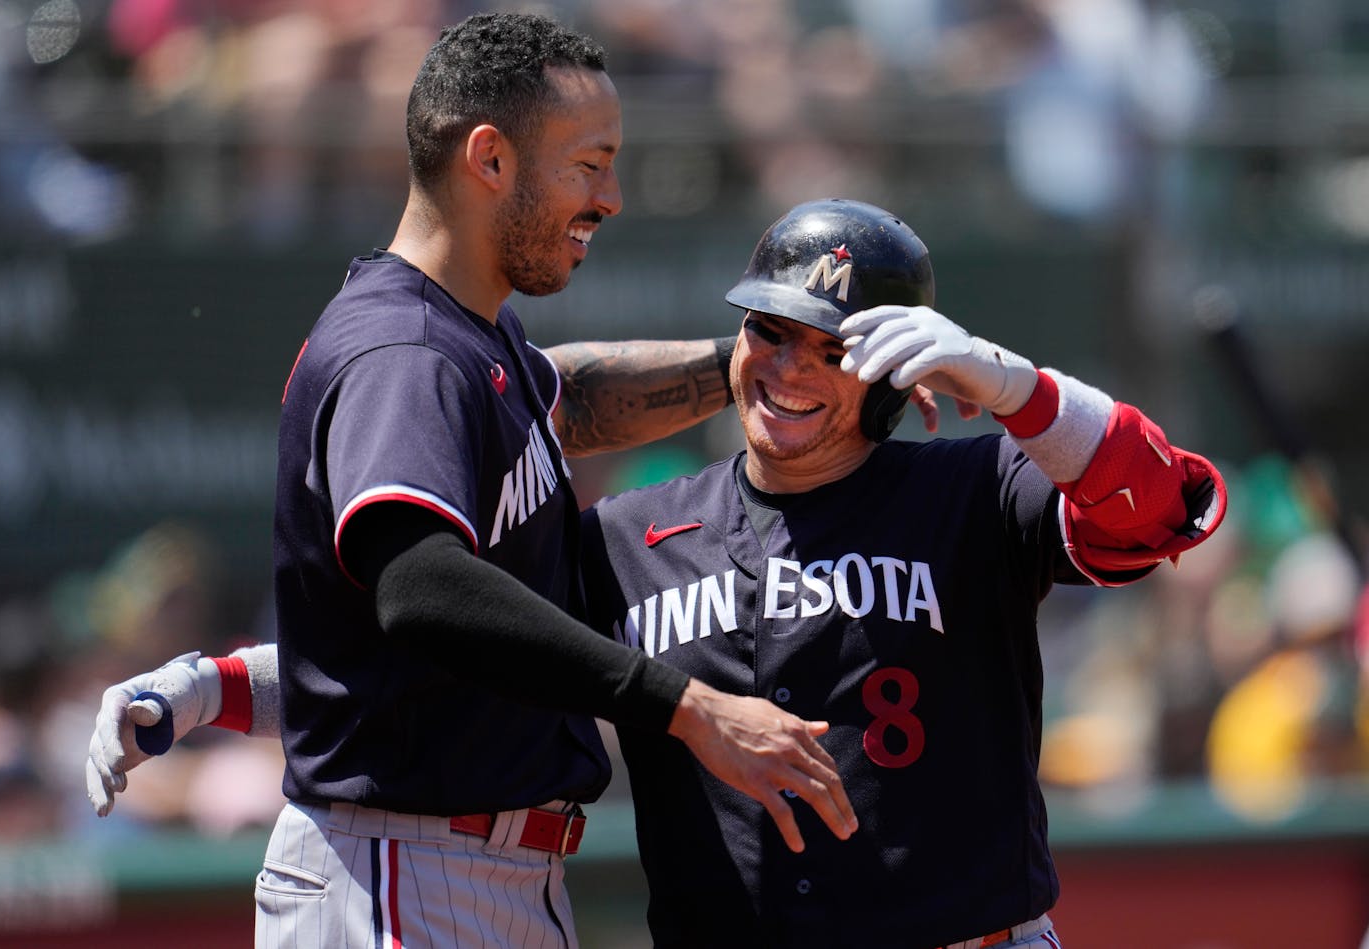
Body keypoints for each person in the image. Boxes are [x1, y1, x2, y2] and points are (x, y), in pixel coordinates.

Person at [89, 197, 1227, 947]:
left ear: (891, 373)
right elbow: (439, 659)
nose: (787, 368)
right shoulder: (634, 533)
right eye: (768, 331)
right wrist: (207, 688)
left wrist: (1016, 387)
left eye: (832, 349)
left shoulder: (972, 492)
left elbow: (1166, 508)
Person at [88, 13, 862, 949]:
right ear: (489, 158)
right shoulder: (406, 351)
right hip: (403, 873)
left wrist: (765, 364)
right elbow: (420, 585)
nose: (611, 197)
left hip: (467, 871)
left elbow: (564, 399)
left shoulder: (469, 336)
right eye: (590, 162)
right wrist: (689, 708)